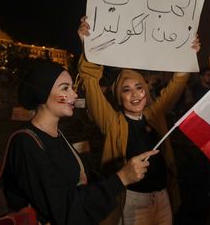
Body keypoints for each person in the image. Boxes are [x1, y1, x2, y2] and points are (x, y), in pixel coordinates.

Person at [1, 60, 159, 225]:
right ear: (43, 93)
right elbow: (64, 209)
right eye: (65, 88)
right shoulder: (25, 144)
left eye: (72, 87)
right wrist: (121, 178)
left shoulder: (57, 134)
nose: (74, 94)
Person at [77, 16, 200, 225]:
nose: (134, 95)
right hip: (132, 202)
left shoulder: (155, 114)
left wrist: (187, 53)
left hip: (163, 197)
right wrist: (88, 44)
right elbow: (90, 82)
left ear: (146, 91)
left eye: (139, 87)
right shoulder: (112, 122)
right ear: (119, 97)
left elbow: (178, 81)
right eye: (126, 90)